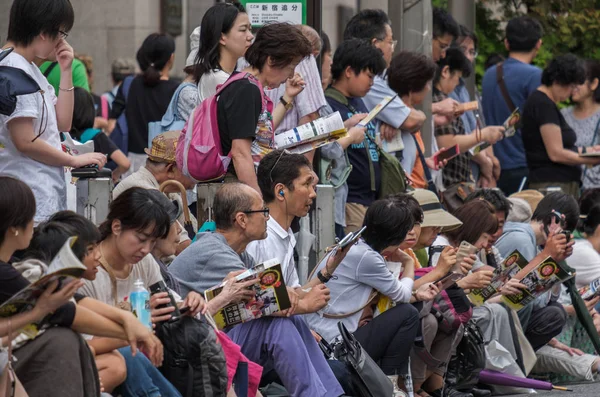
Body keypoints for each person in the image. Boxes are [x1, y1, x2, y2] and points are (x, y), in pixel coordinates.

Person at [169, 183, 345, 397]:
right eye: (263, 212)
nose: (267, 218)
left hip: (212, 340)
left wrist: (322, 276)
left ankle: (331, 394)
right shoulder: (215, 252)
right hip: (188, 354)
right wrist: (305, 304)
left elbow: (280, 294)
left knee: (293, 320)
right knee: (276, 326)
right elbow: (271, 302)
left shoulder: (237, 252)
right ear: (242, 219)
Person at [0, 176, 161, 397]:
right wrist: (133, 331)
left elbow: (72, 303)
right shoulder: (17, 272)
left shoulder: (13, 268)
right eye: (30, 217)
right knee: (64, 341)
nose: (33, 222)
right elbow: (66, 312)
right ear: (13, 228)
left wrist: (129, 322)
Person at [23, 211, 180, 396]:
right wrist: (134, 331)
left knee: (121, 360)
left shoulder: (68, 286)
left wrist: (133, 325)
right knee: (125, 357)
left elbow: (80, 307)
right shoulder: (39, 279)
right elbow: (73, 317)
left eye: (152, 242)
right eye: (90, 249)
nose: (98, 255)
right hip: (34, 374)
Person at [306, 195, 437, 394]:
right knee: (408, 314)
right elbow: (400, 294)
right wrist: (408, 262)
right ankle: (387, 385)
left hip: (325, 334)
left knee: (408, 311)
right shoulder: (367, 257)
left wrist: (417, 295)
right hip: (335, 346)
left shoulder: (356, 244)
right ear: (396, 236)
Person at [0, 0, 107, 224]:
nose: (62, 40)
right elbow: (25, 141)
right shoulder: (12, 72)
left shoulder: (27, 69)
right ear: (42, 32)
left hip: (35, 196)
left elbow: (62, 123)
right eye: (61, 32)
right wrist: (72, 160)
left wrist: (66, 69)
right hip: (26, 199)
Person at [246, 150, 349, 313]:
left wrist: (327, 270)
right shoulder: (260, 238)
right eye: (306, 184)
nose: (313, 193)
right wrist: (306, 307)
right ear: (281, 191)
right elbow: (257, 304)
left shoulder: (285, 235)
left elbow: (295, 294)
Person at [216, 22, 312, 192]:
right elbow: (240, 153)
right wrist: (258, 204)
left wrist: (287, 97)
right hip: (240, 188)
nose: (291, 74)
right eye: (290, 66)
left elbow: (260, 134)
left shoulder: (248, 84)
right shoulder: (246, 89)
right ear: (271, 60)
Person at [343, 9, 428, 165]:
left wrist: (391, 120)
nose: (393, 48)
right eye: (390, 42)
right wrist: (414, 116)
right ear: (376, 45)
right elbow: (410, 121)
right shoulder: (371, 83)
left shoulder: (380, 78)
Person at [495, 192, 575, 350]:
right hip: (498, 313)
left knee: (556, 311)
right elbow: (527, 298)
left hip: (506, 313)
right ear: (553, 221)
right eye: (564, 232)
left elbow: (547, 297)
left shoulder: (533, 242)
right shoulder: (522, 240)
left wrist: (555, 262)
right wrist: (548, 257)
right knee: (554, 314)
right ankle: (515, 360)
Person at [323, 38, 387, 234]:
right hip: (349, 201)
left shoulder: (359, 102)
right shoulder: (329, 105)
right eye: (369, 75)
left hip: (370, 200)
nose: (372, 83)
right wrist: (349, 134)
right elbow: (327, 148)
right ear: (349, 71)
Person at [521, 54, 600, 196]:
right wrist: (589, 159)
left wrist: (588, 150)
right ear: (558, 82)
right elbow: (556, 153)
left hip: (557, 183)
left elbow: (562, 146)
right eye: (571, 87)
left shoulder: (544, 103)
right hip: (552, 184)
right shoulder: (543, 105)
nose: (571, 93)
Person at [482, 16, 544, 194]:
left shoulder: (489, 74)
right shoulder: (535, 76)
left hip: (493, 164)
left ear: (507, 43)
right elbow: (542, 120)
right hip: (523, 163)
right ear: (538, 44)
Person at [433, 48, 503, 194]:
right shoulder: (440, 101)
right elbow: (446, 145)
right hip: (449, 187)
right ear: (445, 72)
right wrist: (481, 136)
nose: (457, 83)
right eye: (457, 78)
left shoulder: (440, 100)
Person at [113, 131, 197, 252]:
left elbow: (195, 231)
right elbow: (183, 246)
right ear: (171, 169)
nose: (197, 172)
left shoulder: (168, 189)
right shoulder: (142, 190)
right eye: (191, 166)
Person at [109, 33, 178, 174]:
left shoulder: (128, 84)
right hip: (166, 167)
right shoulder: (176, 90)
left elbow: (111, 124)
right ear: (171, 58)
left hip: (132, 164)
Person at [386, 51, 446, 188]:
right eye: (427, 83)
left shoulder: (407, 116)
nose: (428, 88)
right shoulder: (404, 122)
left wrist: (425, 162)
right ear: (413, 87)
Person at [451, 25, 501, 187]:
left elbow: (480, 128)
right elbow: (451, 140)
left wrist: (490, 160)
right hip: (455, 175)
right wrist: (485, 162)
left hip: (474, 175)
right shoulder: (443, 90)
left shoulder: (466, 89)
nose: (468, 57)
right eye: (463, 49)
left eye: (472, 52)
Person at [194, 1, 254, 102]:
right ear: (222, 38)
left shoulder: (220, 76)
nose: (250, 36)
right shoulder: (219, 80)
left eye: (250, 29)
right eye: (243, 30)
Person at [70, 87, 130, 181]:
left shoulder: (61, 136)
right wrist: (115, 174)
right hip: (92, 189)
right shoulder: (97, 136)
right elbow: (125, 163)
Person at [562, 59, 600, 190]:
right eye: (571, 82)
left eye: (580, 81)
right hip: (569, 187)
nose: (574, 87)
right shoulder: (563, 115)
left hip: (596, 191)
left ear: (594, 83)